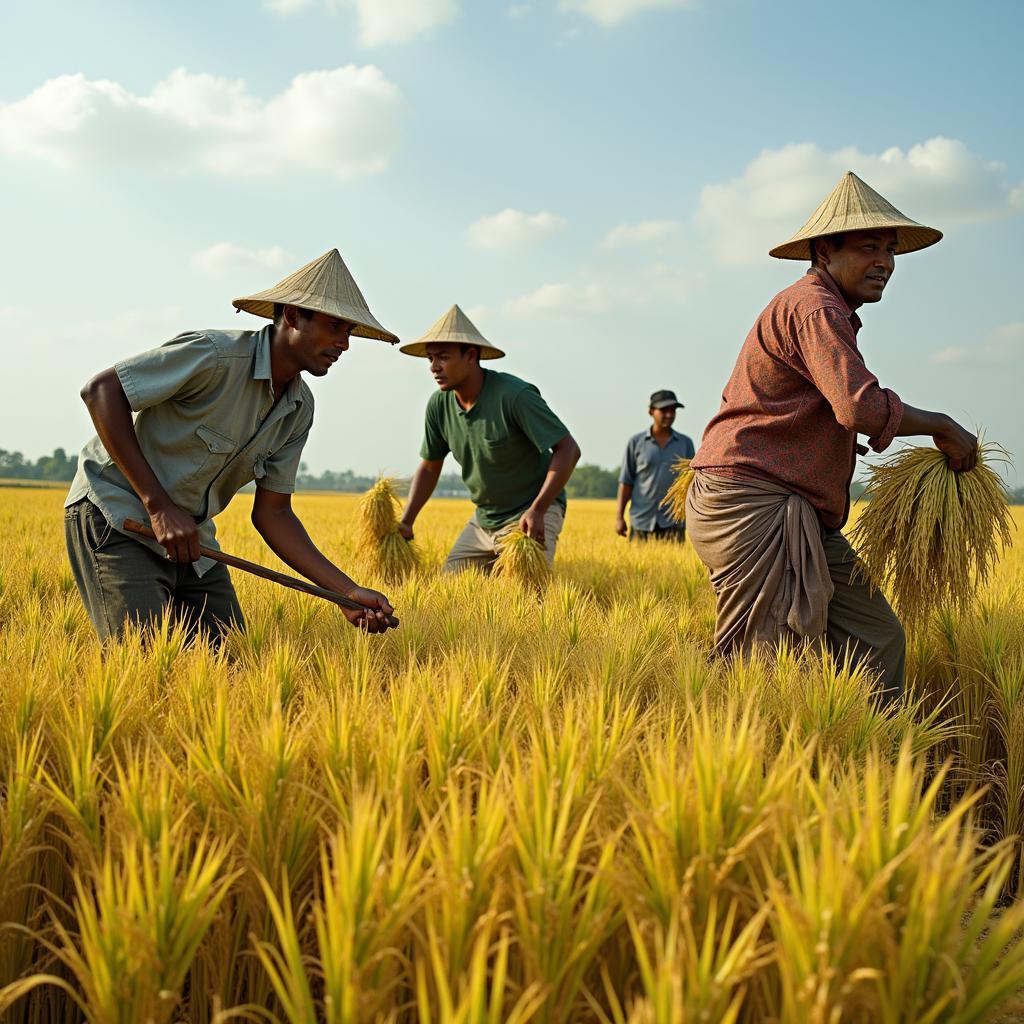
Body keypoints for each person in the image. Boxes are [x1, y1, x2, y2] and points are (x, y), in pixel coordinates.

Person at [686, 171, 978, 701]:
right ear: (825, 249)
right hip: (755, 502)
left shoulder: (824, 309)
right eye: (870, 247)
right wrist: (941, 425)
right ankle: (748, 770)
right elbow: (858, 406)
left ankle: (872, 760)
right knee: (766, 665)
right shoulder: (814, 307)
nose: (886, 263)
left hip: (795, 509)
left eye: (890, 250)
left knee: (876, 637)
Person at [64, 249, 400, 642]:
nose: (344, 343)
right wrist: (159, 507)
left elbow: (274, 514)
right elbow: (101, 390)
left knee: (234, 659)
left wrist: (344, 592)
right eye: (335, 326)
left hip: (193, 538)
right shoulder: (215, 355)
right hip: (119, 515)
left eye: (350, 332)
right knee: (141, 658)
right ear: (292, 316)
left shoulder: (297, 409)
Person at [396, 304, 581, 573]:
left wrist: (539, 509)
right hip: (485, 520)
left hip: (531, 512)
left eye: (443, 358)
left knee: (528, 596)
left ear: (471, 355)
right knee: (453, 587)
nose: (434, 367)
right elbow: (429, 466)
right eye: (430, 359)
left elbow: (568, 449)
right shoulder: (439, 405)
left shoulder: (514, 395)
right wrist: (407, 521)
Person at [616, 389, 695, 542]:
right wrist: (619, 517)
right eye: (664, 410)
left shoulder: (685, 443)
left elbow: (693, 483)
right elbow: (626, 481)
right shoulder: (636, 443)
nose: (669, 415)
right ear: (651, 411)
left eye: (673, 410)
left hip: (674, 521)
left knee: (673, 566)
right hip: (642, 520)